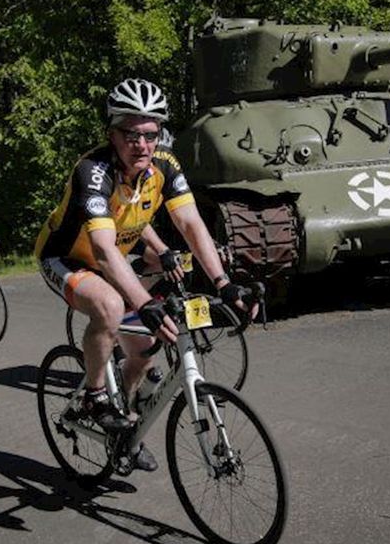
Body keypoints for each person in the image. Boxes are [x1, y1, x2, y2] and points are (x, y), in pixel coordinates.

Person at [35, 78, 255, 472]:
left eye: (150, 134)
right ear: (112, 134)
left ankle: (127, 433)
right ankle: (94, 396)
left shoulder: (164, 166)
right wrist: (143, 302)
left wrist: (224, 282)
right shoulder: (93, 171)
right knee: (110, 304)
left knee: (144, 351)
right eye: (131, 134)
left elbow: (191, 224)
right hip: (67, 257)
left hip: (115, 255)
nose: (142, 144)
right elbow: (102, 249)